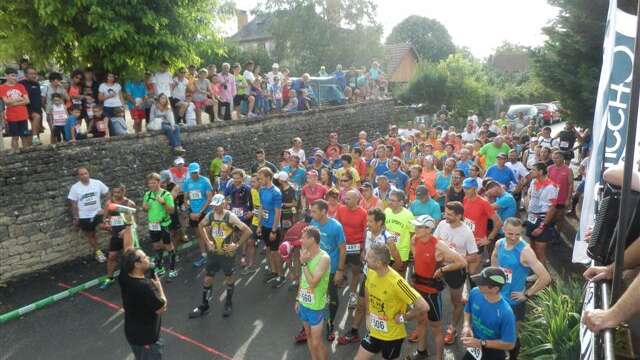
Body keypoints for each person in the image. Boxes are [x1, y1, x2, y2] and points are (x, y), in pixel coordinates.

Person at [354, 243, 429, 360]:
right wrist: (368, 314)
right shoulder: (371, 272)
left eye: (368, 257)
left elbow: (424, 306)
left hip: (392, 337)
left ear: (379, 262)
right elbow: (368, 289)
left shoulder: (397, 283)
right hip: (374, 332)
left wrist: (404, 318)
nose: (365, 259)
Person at [408, 215, 467, 360]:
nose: (415, 229)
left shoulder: (438, 245)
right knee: (421, 321)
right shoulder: (414, 239)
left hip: (432, 293)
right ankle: (421, 351)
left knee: (436, 327)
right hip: (418, 289)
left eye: (419, 226)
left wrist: (442, 270)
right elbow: (417, 259)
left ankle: (439, 357)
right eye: (415, 226)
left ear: (428, 229)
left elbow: (461, 261)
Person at [491, 217, 551, 359]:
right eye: (510, 233)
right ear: (503, 230)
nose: (514, 237)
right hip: (498, 297)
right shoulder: (499, 244)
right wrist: (494, 278)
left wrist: (527, 294)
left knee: (512, 336)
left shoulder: (525, 251)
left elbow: (545, 277)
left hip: (514, 302)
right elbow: (494, 258)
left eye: (518, 234)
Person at [189, 194, 252, 318]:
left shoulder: (230, 216)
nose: (216, 208)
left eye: (218, 205)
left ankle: (228, 303)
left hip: (227, 254)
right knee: (207, 278)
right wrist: (207, 242)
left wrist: (236, 245)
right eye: (214, 205)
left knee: (229, 277)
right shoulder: (210, 215)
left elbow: (248, 231)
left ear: (223, 204)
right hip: (213, 253)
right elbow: (201, 225)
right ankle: (204, 305)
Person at [433, 201, 480, 345]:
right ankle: (431, 324)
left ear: (459, 216)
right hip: (438, 266)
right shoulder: (442, 224)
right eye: (445, 213)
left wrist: (457, 259)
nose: (445, 216)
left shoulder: (466, 232)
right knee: (432, 295)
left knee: (456, 301)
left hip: (455, 270)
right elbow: (434, 241)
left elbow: (474, 256)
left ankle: (452, 329)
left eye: (449, 214)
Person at [118, 249, 167, 360]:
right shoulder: (145, 287)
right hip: (146, 339)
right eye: (145, 257)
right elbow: (161, 308)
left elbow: (127, 245)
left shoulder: (124, 277)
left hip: (132, 334)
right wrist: (160, 288)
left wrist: (128, 231)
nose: (148, 258)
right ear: (137, 264)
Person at [309, 199, 346, 341]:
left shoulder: (336, 227)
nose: (311, 214)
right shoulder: (313, 223)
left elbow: (342, 249)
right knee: (314, 293)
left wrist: (340, 270)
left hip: (331, 268)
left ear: (324, 211)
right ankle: (312, 322)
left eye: (314, 211)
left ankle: (331, 323)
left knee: (332, 296)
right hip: (315, 266)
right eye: (311, 211)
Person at [462, 267, 517, 360]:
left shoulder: (506, 313)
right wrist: (466, 325)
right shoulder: (475, 292)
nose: (477, 283)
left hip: (493, 351)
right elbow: (467, 310)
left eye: (482, 283)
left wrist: (481, 343)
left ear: (495, 288)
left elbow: (510, 344)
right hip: (474, 343)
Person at [295, 226, 331, 360]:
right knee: (308, 334)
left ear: (312, 239)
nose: (300, 240)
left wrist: (303, 264)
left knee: (317, 342)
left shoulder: (324, 258)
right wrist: (298, 298)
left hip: (316, 306)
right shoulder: (304, 252)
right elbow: (303, 279)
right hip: (304, 303)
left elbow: (313, 282)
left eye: (303, 238)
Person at [68, 167, 110, 263]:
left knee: (107, 227)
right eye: (81, 174)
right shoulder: (75, 188)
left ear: (89, 173)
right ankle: (99, 253)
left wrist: (105, 208)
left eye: (85, 173)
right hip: (84, 216)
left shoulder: (97, 183)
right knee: (91, 235)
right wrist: (76, 217)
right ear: (78, 176)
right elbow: (73, 204)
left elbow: (108, 193)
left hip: (97, 213)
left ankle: (118, 244)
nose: (84, 176)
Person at [335, 190, 368, 309]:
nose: (345, 200)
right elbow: (336, 226)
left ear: (356, 200)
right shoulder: (341, 209)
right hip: (342, 245)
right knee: (339, 269)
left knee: (355, 272)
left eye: (348, 199)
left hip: (356, 246)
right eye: (345, 198)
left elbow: (365, 232)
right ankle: (332, 294)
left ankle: (353, 294)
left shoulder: (363, 213)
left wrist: (363, 249)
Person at [99, 184, 136, 289]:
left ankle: (131, 279)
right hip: (115, 234)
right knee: (111, 256)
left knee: (128, 257)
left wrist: (125, 230)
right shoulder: (109, 203)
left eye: (118, 192)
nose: (116, 194)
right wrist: (106, 223)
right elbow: (105, 217)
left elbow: (134, 221)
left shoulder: (129, 203)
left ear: (124, 192)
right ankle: (110, 278)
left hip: (127, 234)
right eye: (114, 192)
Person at [143, 173, 178, 279]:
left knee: (168, 246)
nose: (151, 185)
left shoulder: (166, 195)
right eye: (149, 183)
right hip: (153, 225)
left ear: (158, 183)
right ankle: (160, 268)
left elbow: (172, 211)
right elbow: (145, 208)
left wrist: (163, 203)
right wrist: (144, 208)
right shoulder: (147, 194)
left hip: (164, 224)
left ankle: (172, 269)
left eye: (153, 183)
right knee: (157, 246)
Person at [524, 162, 558, 266]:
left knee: (540, 251)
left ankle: (545, 277)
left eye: (534, 170)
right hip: (531, 217)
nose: (531, 171)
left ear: (541, 171)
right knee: (532, 247)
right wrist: (528, 208)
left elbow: (552, 208)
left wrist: (542, 226)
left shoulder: (551, 187)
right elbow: (528, 195)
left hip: (542, 220)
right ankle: (536, 272)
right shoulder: (533, 182)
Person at [182, 162, 214, 268]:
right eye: (192, 173)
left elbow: (209, 198)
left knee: (208, 234)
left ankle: (212, 254)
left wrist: (200, 212)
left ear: (199, 171)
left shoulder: (205, 181)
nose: (194, 174)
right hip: (193, 213)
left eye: (195, 172)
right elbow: (185, 199)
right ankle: (204, 254)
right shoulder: (187, 182)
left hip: (205, 212)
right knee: (199, 235)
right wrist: (190, 212)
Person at [257, 167, 285, 287]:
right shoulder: (262, 190)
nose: (259, 180)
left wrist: (274, 230)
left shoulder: (276, 192)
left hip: (273, 227)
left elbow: (278, 213)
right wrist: (259, 225)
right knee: (268, 250)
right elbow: (261, 208)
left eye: (261, 178)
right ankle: (274, 272)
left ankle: (281, 276)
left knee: (275, 253)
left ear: (268, 177)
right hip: (264, 226)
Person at [224, 168, 256, 273]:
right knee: (235, 235)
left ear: (242, 178)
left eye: (238, 178)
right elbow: (224, 196)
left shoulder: (247, 188)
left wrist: (251, 212)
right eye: (234, 178)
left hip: (244, 215)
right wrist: (226, 206)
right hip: (233, 214)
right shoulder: (231, 186)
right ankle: (235, 257)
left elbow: (252, 203)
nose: (236, 180)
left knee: (244, 236)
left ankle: (244, 257)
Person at [462, 178, 502, 259]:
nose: (465, 191)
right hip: (465, 238)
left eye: (468, 188)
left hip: (477, 241)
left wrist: (489, 239)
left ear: (475, 189)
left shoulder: (484, 203)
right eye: (464, 188)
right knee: (464, 267)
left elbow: (498, 222)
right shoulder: (465, 199)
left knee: (471, 270)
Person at [0, 67, 32, 149]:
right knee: (15, 137)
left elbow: (27, 101)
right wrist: (20, 98)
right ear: (6, 76)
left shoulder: (20, 86)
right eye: (12, 75)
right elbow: (6, 102)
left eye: (16, 76)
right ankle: (15, 155)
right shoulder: (2, 87)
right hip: (12, 117)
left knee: (24, 136)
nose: (15, 78)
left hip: (23, 115)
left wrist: (13, 102)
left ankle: (26, 155)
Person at [384, 190, 415, 274]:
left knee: (399, 277)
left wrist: (410, 249)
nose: (390, 202)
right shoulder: (386, 211)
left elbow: (412, 234)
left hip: (401, 252)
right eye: (389, 199)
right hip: (387, 250)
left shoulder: (409, 215)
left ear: (401, 202)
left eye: (393, 200)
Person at [547, 150, 573, 225]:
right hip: (550, 198)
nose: (555, 160)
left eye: (557, 158)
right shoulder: (549, 168)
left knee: (559, 218)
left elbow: (571, 185)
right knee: (549, 217)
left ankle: (558, 234)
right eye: (554, 158)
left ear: (562, 158)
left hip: (562, 199)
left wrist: (568, 199)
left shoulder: (568, 170)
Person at [19, 66, 43, 145]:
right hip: (26, 108)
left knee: (37, 128)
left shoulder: (37, 84)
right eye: (31, 73)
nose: (34, 75)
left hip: (38, 108)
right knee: (37, 117)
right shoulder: (21, 84)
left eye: (35, 73)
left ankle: (35, 144)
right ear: (26, 75)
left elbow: (39, 97)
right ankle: (34, 138)